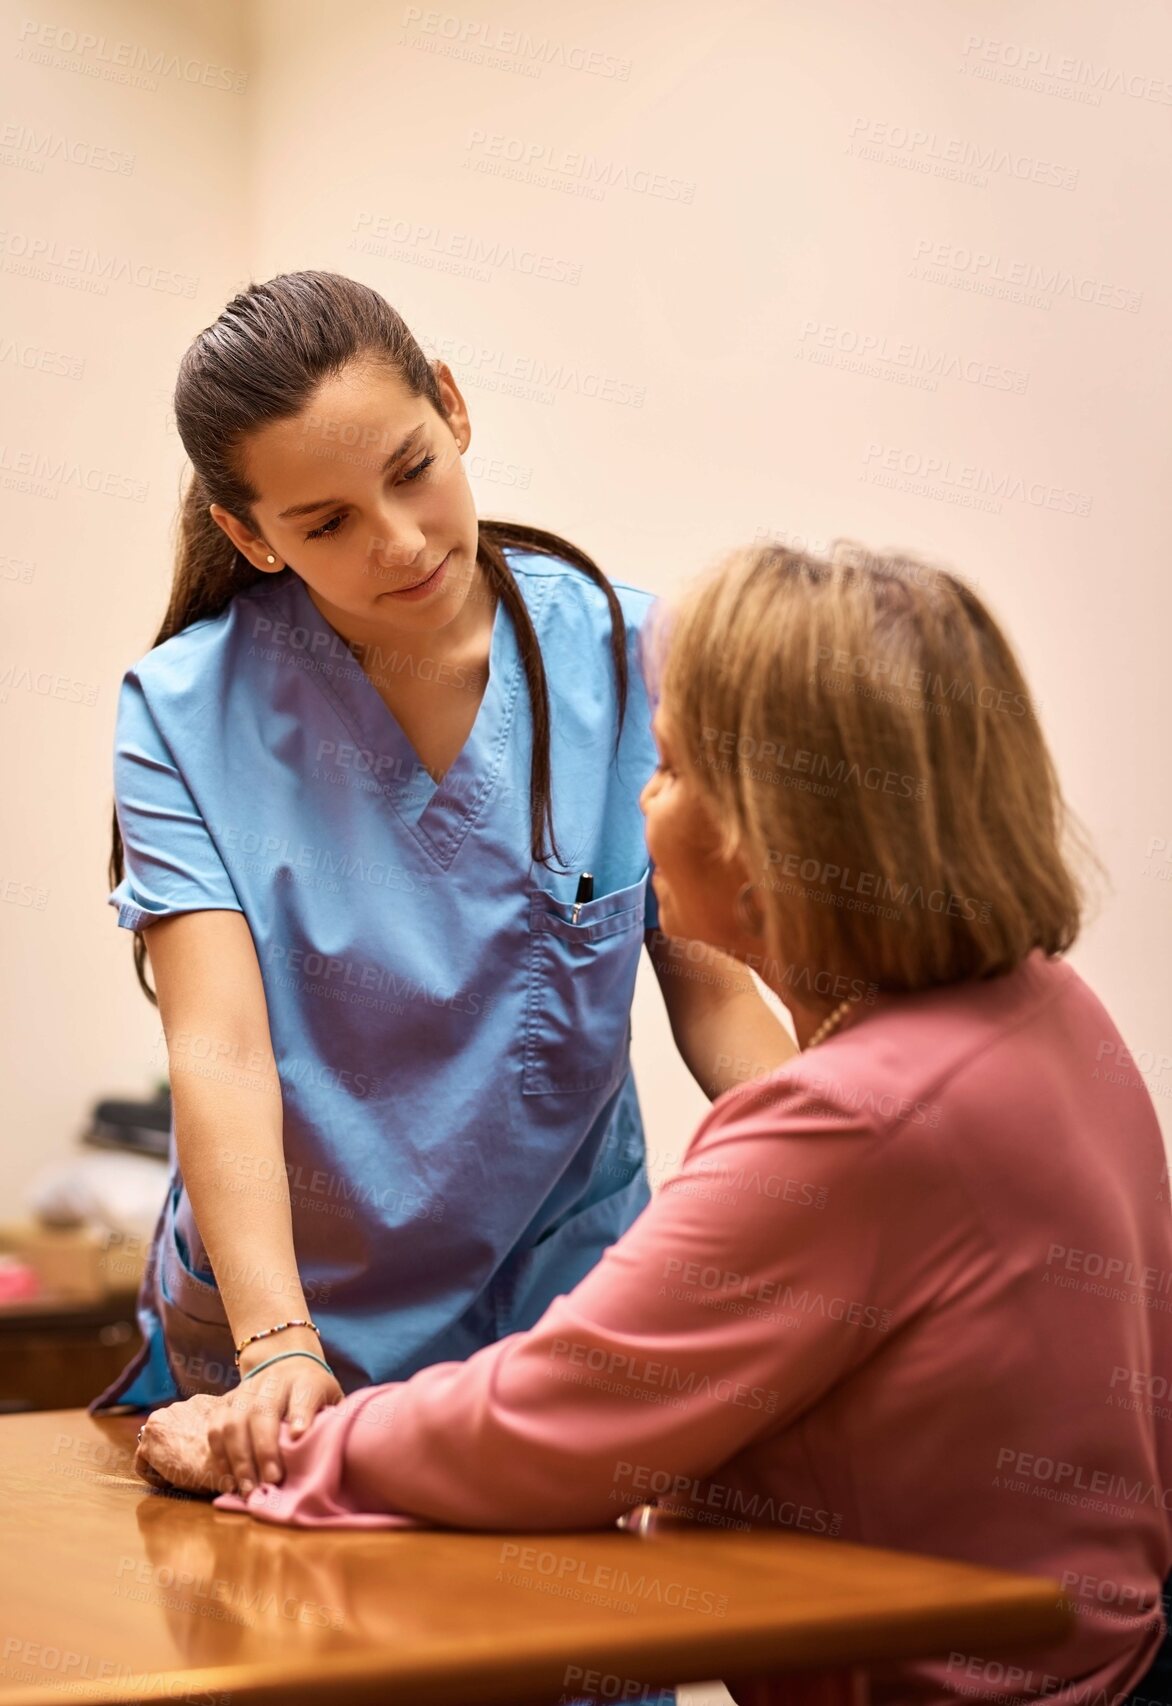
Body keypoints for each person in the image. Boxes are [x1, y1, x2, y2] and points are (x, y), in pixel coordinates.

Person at [138, 540, 1172, 1706]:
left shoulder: (853, 1119)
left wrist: (261, 1445)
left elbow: (547, 1423)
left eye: (669, 769)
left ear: (769, 831)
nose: (638, 801)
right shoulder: (1046, 1009)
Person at [95, 271, 795, 1515]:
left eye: (410, 469)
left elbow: (714, 985)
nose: (400, 540)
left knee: (571, 1655)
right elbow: (220, 1050)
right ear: (250, 536)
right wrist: (276, 1346)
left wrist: (839, 1188)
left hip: (558, 1315)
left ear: (453, 408)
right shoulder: (183, 717)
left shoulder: (631, 657)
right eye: (325, 524)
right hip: (293, 1326)